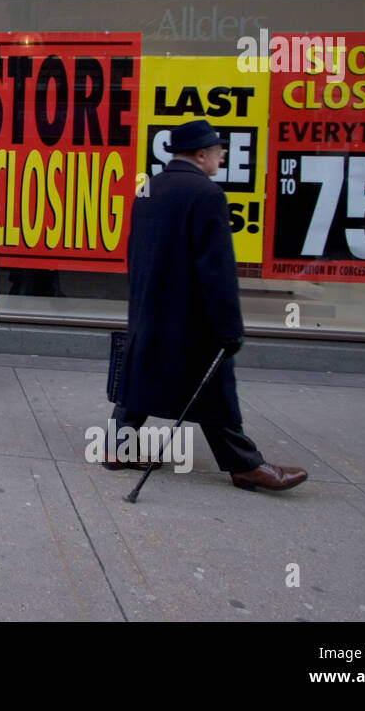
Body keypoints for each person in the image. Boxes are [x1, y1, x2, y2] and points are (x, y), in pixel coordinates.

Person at [109, 119, 307, 492]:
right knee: (213, 389)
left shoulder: (150, 187)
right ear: (202, 154)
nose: (222, 154)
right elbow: (217, 271)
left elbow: (135, 251)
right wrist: (230, 329)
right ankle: (245, 466)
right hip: (190, 317)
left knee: (142, 379)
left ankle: (118, 447)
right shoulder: (206, 194)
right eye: (218, 150)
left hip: (150, 308)